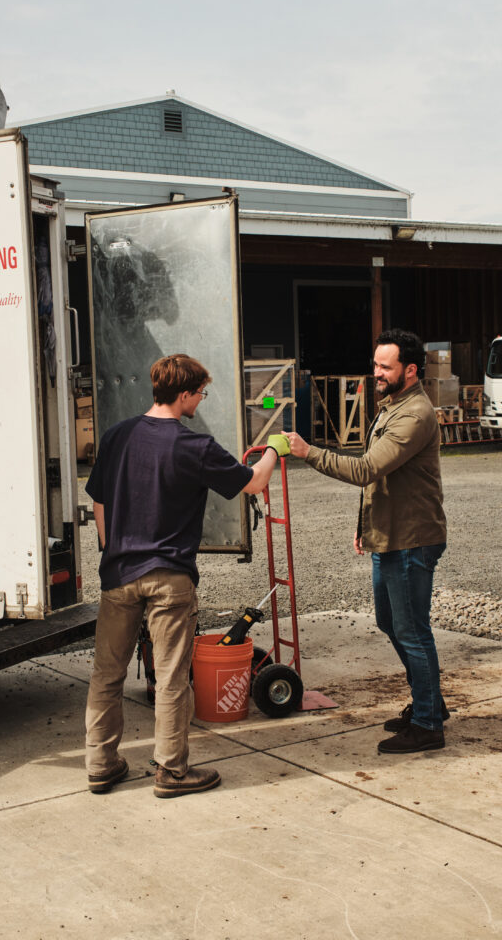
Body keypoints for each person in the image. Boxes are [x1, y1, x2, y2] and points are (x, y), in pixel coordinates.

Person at [85, 353, 286, 797]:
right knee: (172, 677)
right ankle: (172, 772)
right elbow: (252, 483)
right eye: (200, 393)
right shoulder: (195, 445)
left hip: (119, 573)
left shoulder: (117, 437)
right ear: (183, 394)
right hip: (170, 578)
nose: (201, 400)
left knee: (106, 674)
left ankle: (101, 763)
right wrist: (274, 449)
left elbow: (98, 500)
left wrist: (110, 548)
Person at [283, 329, 448, 754]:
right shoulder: (391, 406)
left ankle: (429, 724)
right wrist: (365, 523)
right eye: (375, 364)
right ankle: (431, 703)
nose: (375, 372)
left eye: (385, 367)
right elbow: (384, 481)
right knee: (392, 624)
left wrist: (308, 452)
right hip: (388, 536)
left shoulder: (414, 415)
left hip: (411, 541)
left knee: (412, 631)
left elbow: (366, 470)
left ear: (410, 370)